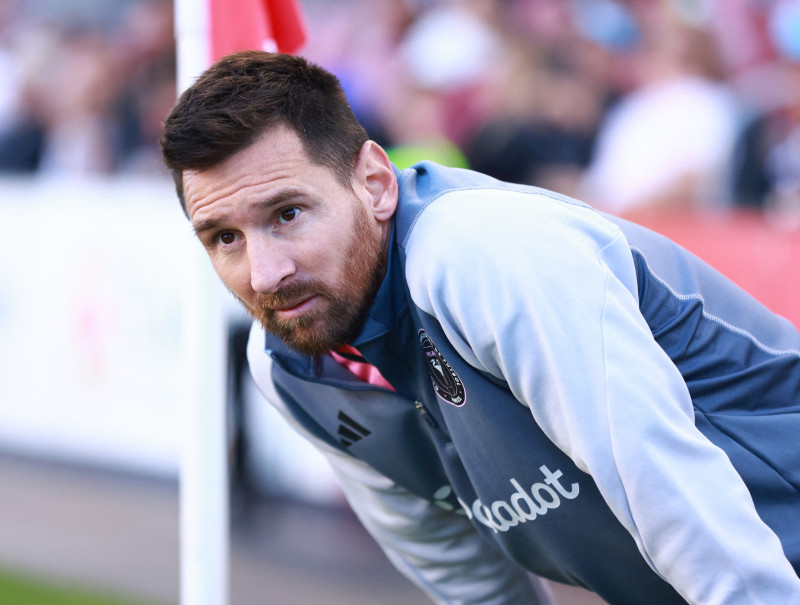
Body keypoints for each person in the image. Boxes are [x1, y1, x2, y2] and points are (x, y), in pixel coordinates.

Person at [160, 51, 800, 605]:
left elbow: (662, 480)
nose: (266, 273)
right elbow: (463, 575)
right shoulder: (290, 366)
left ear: (376, 183)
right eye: (224, 237)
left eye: (288, 213)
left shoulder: (478, 251)